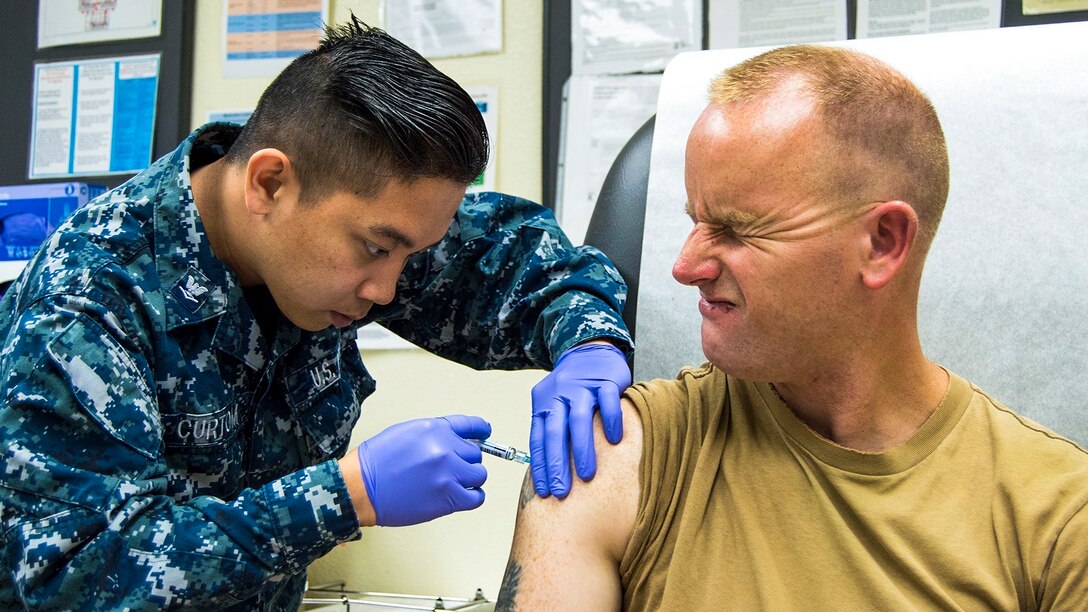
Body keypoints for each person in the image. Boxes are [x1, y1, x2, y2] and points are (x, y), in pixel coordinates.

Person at [0, 17, 633, 611]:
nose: (387, 289)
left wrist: (590, 345)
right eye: (378, 249)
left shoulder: (344, 228)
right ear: (269, 184)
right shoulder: (87, 301)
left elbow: (528, 263)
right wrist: (349, 495)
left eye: (413, 254)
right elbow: (82, 574)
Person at [495, 44, 1088, 610]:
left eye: (736, 229)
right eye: (695, 221)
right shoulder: (609, 455)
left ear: (882, 243)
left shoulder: (1057, 517)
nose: (684, 267)